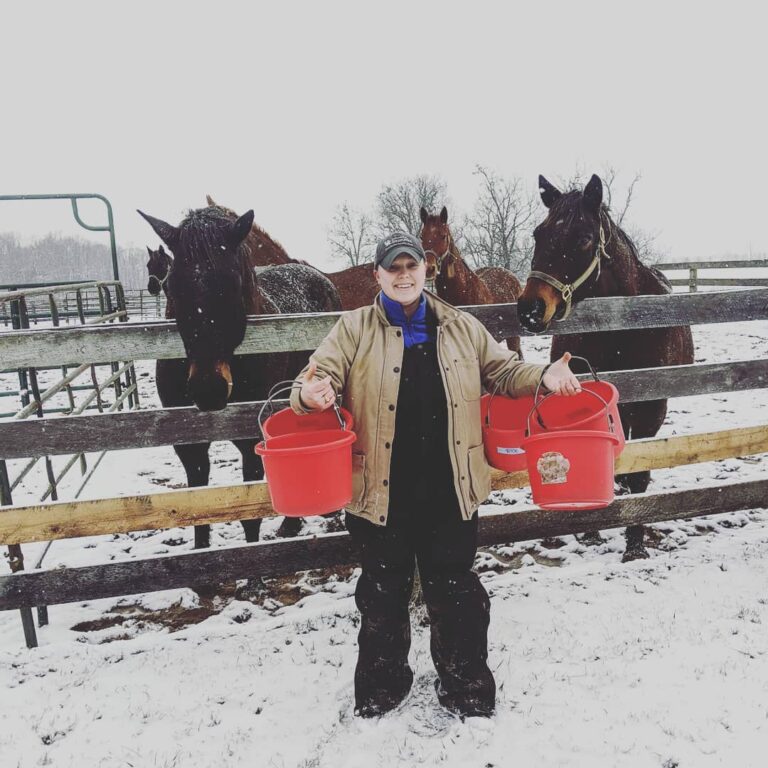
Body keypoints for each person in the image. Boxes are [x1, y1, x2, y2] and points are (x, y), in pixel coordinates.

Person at [290, 231, 581, 719]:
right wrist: (311, 395)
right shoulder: (354, 327)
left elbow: (506, 372)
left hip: (450, 485)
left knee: (455, 589)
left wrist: (545, 376)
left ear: (425, 270)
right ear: (377, 275)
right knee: (383, 592)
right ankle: (383, 685)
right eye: (393, 268)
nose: (403, 276)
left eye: (411, 267)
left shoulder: (460, 326)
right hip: (381, 489)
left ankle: (466, 686)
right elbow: (315, 377)